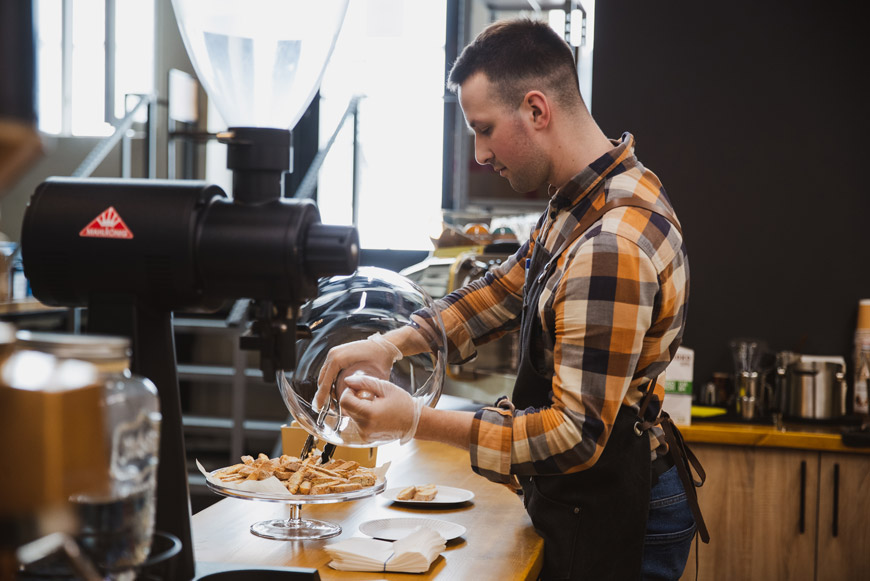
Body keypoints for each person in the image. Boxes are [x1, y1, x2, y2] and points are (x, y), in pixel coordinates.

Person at [317, 17, 708, 580]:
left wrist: (414, 422)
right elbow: (505, 287)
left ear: (536, 110)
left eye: (483, 128)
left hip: (620, 508)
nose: (478, 153)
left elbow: (572, 435)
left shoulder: (610, 245)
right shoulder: (587, 197)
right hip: (589, 496)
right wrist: (391, 344)